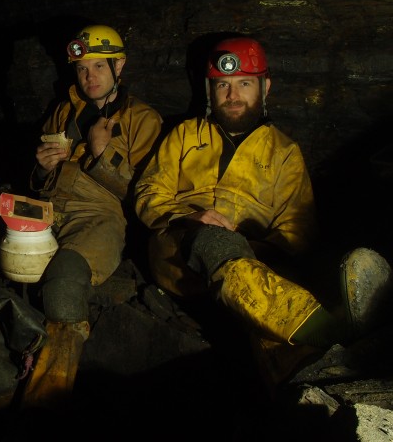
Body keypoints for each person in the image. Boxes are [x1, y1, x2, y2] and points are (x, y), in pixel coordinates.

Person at [0, 24, 163, 426]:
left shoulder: (144, 119)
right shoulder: (62, 109)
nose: (88, 76)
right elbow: (37, 182)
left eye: (98, 67)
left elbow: (143, 196)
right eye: (81, 68)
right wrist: (40, 170)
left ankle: (45, 408)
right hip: (45, 208)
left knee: (65, 278)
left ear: (119, 65)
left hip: (101, 217)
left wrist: (100, 155)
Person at [133, 36, 392, 387]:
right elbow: (148, 192)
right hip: (178, 251)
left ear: (264, 86)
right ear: (210, 89)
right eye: (222, 85)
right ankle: (330, 330)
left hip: (251, 266)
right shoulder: (184, 135)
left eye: (244, 84)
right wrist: (189, 217)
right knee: (214, 242)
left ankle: (304, 386)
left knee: (261, 311)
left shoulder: (284, 152)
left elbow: (297, 229)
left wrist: (250, 248)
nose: (232, 95)